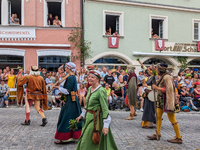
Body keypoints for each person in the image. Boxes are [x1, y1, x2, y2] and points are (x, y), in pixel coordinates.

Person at [76, 70, 118, 150]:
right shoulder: (90, 88)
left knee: (86, 140)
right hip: (87, 118)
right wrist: (81, 116)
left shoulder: (101, 91)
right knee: (85, 139)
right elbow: (87, 105)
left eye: (92, 77)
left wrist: (106, 126)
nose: (89, 78)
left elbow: (105, 109)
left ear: (97, 79)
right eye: (89, 77)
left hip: (96, 119)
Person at [147, 63, 182, 144]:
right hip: (161, 100)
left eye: (157, 69)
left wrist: (157, 87)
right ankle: (157, 133)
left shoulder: (167, 77)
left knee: (172, 119)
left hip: (167, 101)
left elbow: (168, 90)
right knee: (158, 116)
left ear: (160, 70)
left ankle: (179, 137)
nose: (156, 70)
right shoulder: (163, 77)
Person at [54, 62, 82, 144]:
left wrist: (58, 87)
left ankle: (63, 137)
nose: (64, 69)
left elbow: (68, 91)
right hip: (72, 100)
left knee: (65, 117)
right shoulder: (72, 76)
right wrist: (61, 92)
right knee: (71, 116)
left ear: (69, 68)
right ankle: (71, 136)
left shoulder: (70, 77)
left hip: (70, 100)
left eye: (65, 67)